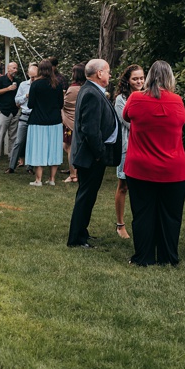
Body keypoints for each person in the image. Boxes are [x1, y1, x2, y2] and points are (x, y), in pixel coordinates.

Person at [123, 60, 185, 266]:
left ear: (149, 76)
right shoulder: (177, 101)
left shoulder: (135, 98)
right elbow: (182, 121)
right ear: (170, 78)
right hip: (173, 168)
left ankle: (143, 256)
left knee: (142, 214)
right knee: (171, 215)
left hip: (140, 166)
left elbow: (126, 116)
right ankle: (168, 256)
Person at [67, 59, 119, 247]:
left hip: (92, 155)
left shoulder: (90, 90)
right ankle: (76, 239)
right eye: (108, 71)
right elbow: (90, 129)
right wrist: (99, 153)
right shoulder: (90, 92)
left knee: (88, 196)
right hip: (91, 156)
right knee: (85, 197)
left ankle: (82, 231)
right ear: (99, 74)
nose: (110, 75)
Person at [112, 64, 145, 239]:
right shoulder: (121, 99)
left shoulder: (148, 95)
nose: (139, 81)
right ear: (128, 80)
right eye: (135, 78)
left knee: (141, 187)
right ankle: (120, 224)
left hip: (144, 147)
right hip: (127, 146)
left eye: (141, 78)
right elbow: (128, 123)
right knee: (123, 185)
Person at [25, 57, 65, 187]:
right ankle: (52, 179)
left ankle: (38, 180)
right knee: (54, 149)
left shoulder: (35, 84)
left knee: (38, 149)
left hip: (38, 121)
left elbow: (30, 105)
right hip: (55, 121)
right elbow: (60, 104)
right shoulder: (58, 84)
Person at [7, 61, 39, 174]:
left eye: (35, 77)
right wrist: (26, 96)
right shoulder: (23, 85)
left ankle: (30, 166)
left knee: (32, 142)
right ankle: (12, 165)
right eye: (31, 77)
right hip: (24, 115)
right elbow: (16, 101)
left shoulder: (41, 86)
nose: (33, 79)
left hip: (36, 116)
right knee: (19, 141)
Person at [0, 60, 20, 163]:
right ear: (8, 68)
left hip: (15, 111)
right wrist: (7, 89)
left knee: (13, 135)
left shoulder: (18, 81)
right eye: (13, 68)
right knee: (0, 134)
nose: (15, 70)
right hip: (3, 111)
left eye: (16, 68)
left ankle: (12, 156)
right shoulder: (1, 80)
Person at [61, 64, 85, 184]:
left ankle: (73, 174)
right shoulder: (85, 87)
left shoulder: (73, 89)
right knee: (67, 146)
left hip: (70, 122)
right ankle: (77, 171)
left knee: (70, 147)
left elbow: (65, 105)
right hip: (79, 121)